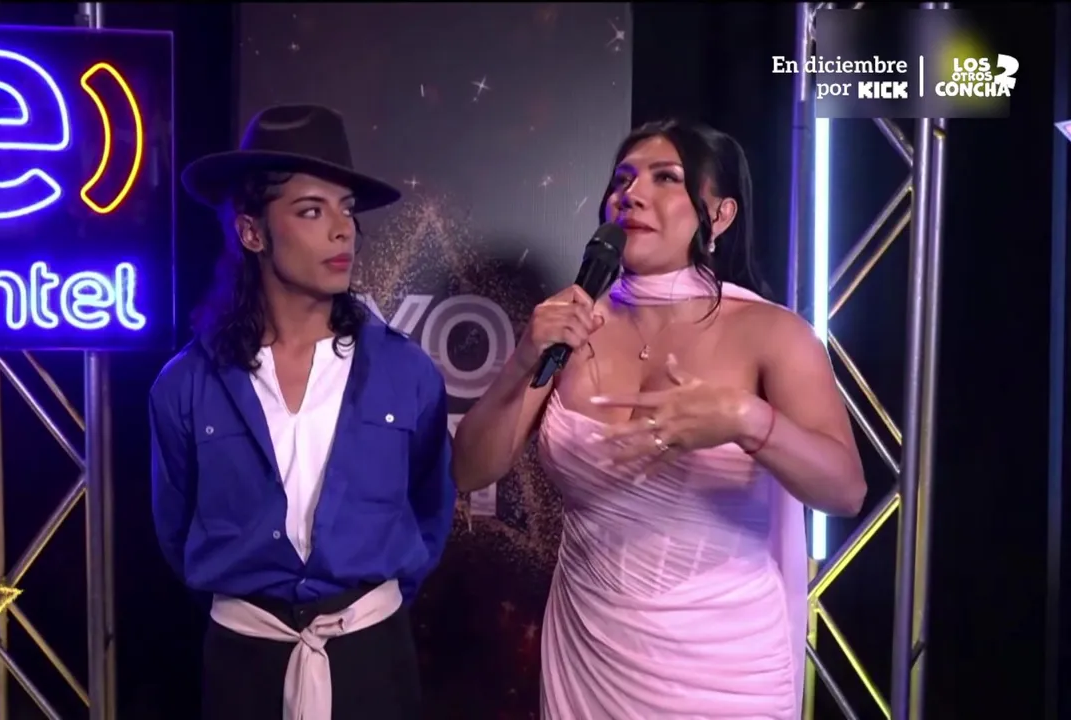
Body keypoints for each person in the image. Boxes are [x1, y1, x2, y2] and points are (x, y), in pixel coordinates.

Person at [452, 119, 866, 719]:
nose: (632, 194)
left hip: (722, 668)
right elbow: (469, 470)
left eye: (665, 178)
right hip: (587, 656)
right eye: (622, 180)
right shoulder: (570, 325)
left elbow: (846, 490)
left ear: (719, 215)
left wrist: (747, 420)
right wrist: (523, 359)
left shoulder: (772, 333)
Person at [150, 104, 457, 720]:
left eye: (347, 209)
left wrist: (361, 606)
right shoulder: (185, 384)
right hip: (243, 665)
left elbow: (431, 508)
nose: (343, 231)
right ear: (252, 232)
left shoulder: (406, 372)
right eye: (312, 211)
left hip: (373, 658)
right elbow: (176, 531)